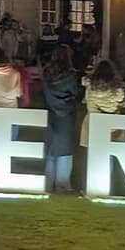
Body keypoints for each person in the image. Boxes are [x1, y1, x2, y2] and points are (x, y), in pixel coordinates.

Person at [41, 46, 81, 193]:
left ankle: (48, 183)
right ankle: (62, 184)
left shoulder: (46, 73)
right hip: (66, 115)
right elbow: (77, 93)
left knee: (51, 150)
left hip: (50, 113)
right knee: (65, 151)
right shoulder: (71, 76)